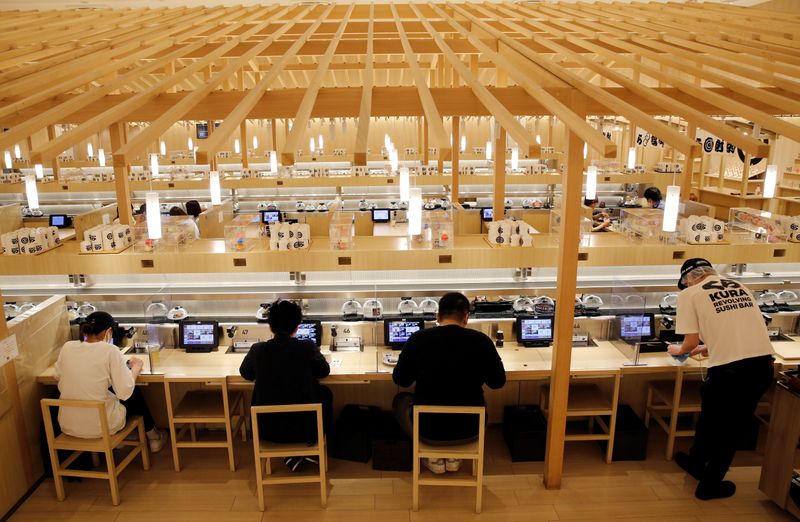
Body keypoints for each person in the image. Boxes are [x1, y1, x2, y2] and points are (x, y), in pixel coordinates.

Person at [667, 258, 775, 500]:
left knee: (720, 426)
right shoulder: (740, 286)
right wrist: (706, 348)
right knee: (723, 424)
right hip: (759, 367)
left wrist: (680, 350)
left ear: (689, 279)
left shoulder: (689, 294)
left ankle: (710, 485)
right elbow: (738, 330)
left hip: (729, 373)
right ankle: (696, 463)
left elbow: (689, 342)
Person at [392, 292, 506, 474]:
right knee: (479, 401)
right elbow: (498, 382)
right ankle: (454, 457)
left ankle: (433, 457)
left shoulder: (418, 339)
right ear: (466, 317)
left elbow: (401, 380)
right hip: (470, 427)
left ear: (437, 316)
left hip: (428, 428)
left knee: (400, 400)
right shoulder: (482, 341)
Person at [54, 311, 167, 452]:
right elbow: (125, 392)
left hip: (68, 424)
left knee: (109, 391)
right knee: (132, 391)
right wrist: (136, 368)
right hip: (102, 425)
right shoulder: (110, 350)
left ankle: (133, 437)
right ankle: (153, 437)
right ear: (108, 332)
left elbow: (57, 376)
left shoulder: (67, 347)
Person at [239, 300, 332, 471]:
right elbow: (323, 371)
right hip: (306, 429)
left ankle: (292, 455)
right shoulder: (307, 347)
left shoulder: (257, 350)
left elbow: (245, 373)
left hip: (267, 430)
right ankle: (312, 447)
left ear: (270, 327)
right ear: (297, 327)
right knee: (325, 392)